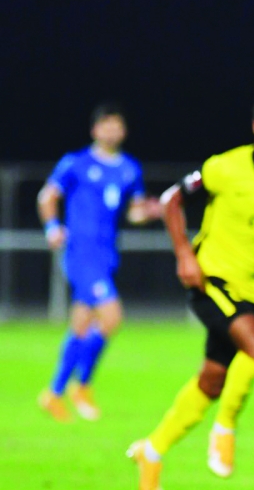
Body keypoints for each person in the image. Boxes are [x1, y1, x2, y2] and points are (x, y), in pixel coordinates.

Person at [127, 71, 254, 490]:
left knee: (213, 380)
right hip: (210, 278)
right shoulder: (224, 167)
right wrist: (184, 254)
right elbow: (171, 199)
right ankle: (225, 428)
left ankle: (151, 451)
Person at [37, 103, 161, 422]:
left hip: (106, 254)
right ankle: (82, 385)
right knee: (111, 317)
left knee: (81, 324)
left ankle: (53, 393)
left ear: (124, 131)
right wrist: (52, 227)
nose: (111, 131)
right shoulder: (76, 162)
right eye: (106, 125)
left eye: (117, 126)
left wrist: (150, 212)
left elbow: (133, 213)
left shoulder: (130, 169)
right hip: (81, 252)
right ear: (95, 130)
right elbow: (47, 196)